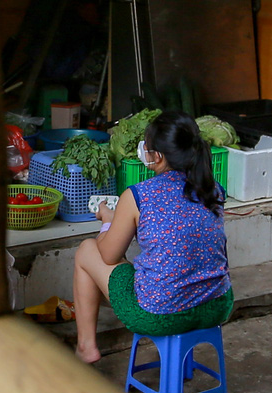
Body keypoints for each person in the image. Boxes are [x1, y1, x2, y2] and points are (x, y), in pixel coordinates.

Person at [71, 112, 233, 364]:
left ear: (156, 156)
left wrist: (108, 220)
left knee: (87, 250)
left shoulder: (138, 195)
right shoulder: (212, 188)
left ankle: (86, 346)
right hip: (216, 305)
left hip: (160, 313)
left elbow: (108, 256)